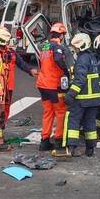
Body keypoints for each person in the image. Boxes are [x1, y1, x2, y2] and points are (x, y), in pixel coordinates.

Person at [54, 33, 100, 158]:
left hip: (82, 98)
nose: (75, 50)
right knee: (90, 123)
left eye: (76, 47)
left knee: (73, 121)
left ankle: (71, 148)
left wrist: (71, 94)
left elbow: (80, 79)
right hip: (94, 99)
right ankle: (90, 148)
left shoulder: (82, 60)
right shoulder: (93, 58)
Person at [32, 22, 70, 151]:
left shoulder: (45, 47)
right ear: (61, 35)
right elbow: (58, 59)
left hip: (43, 85)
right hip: (54, 85)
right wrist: (66, 72)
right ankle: (59, 140)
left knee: (48, 112)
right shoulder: (57, 47)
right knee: (60, 112)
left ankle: (44, 141)